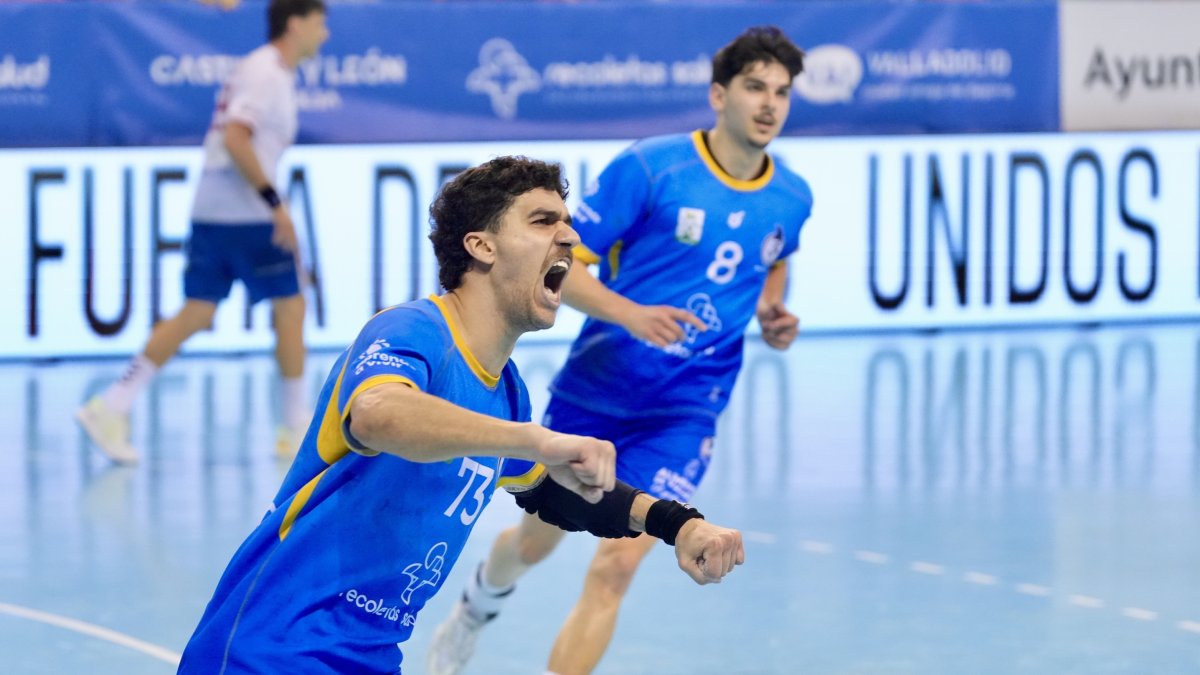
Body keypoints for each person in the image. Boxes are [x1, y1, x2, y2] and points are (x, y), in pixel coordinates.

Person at [175, 156, 746, 674]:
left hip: (368, 656)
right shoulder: (414, 330)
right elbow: (378, 414)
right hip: (271, 649)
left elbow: (558, 491)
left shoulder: (508, 392)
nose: (570, 236)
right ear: (482, 246)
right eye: (543, 221)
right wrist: (533, 440)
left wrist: (677, 523)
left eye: (567, 223)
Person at [427, 26, 811, 675]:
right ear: (719, 95)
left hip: (687, 408)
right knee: (537, 538)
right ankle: (475, 609)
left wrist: (773, 310)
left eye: (781, 91)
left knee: (617, 564)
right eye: (755, 87)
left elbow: (774, 257)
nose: (769, 104)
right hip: (600, 387)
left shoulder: (793, 196)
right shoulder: (652, 168)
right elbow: (560, 261)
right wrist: (630, 314)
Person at [74, 0, 329, 463]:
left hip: (212, 209)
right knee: (291, 307)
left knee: (197, 311)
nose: (324, 34)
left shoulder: (263, 69)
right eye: (319, 23)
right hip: (247, 215)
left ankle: (112, 404)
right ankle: (295, 428)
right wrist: (274, 203)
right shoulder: (267, 72)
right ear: (296, 24)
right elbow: (236, 137)